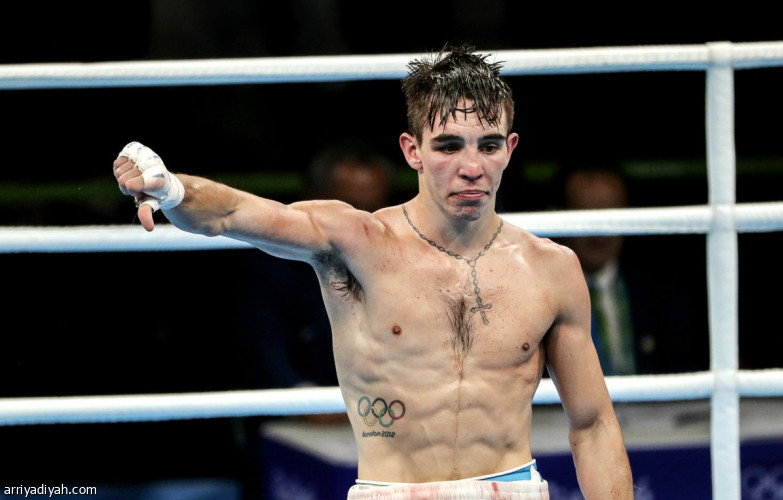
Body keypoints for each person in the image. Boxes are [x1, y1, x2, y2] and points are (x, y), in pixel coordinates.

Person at [113, 45, 632, 499]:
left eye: (488, 145)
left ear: (510, 149)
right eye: (449, 146)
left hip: (514, 487)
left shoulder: (551, 268)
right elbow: (231, 213)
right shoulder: (356, 241)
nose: (472, 167)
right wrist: (171, 188)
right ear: (412, 150)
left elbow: (593, 425)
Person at [238, 139, 394, 397]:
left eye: (374, 209)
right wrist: (306, 400)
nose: (363, 222)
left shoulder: (401, 260)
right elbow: (264, 348)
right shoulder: (272, 266)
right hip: (296, 408)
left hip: (383, 407)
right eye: (351, 208)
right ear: (310, 200)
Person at [556, 162, 706, 375]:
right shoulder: (538, 298)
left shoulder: (663, 300)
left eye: (610, 215)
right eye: (585, 214)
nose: (598, 232)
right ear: (559, 214)